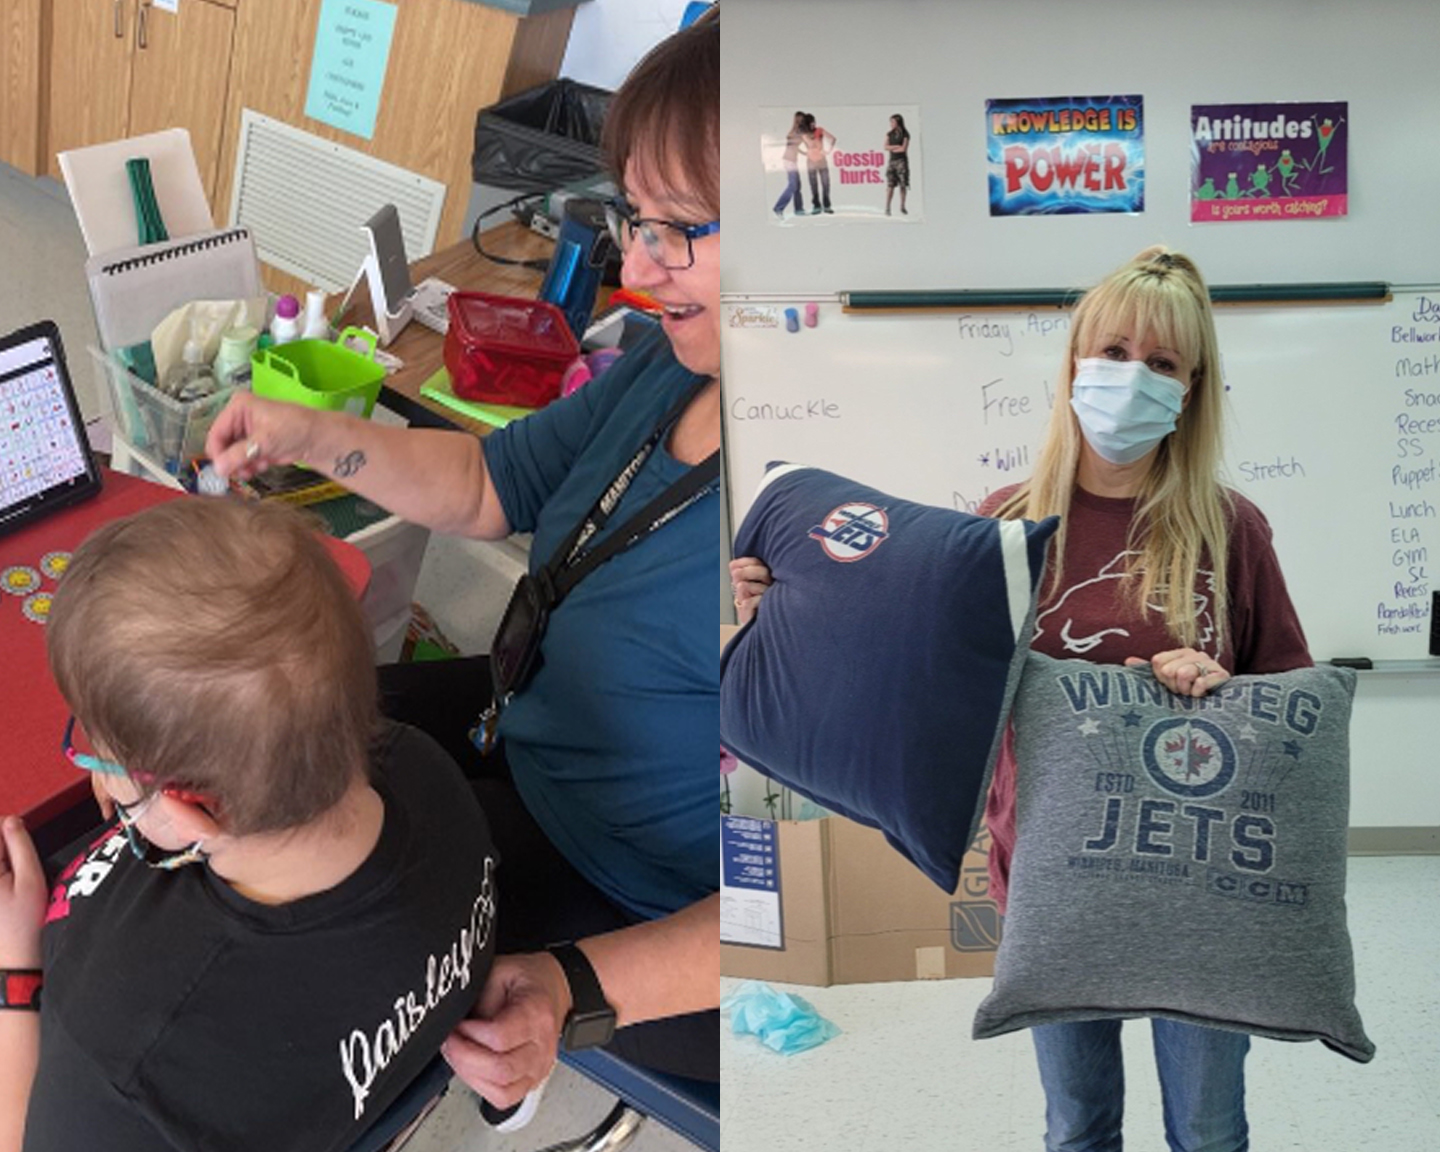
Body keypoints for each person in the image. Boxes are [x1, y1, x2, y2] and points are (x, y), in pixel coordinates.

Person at [204, 7, 721, 1110]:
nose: (637, 265)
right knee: (268, 732)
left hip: (630, 890)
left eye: (680, 229)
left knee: (304, 939)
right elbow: (492, 487)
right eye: (636, 218)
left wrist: (576, 985)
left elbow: (834, 897)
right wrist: (315, 436)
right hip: (523, 721)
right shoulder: (676, 367)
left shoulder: (863, 528)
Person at [729, 248, 1312, 1151]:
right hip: (1047, 880)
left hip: (1201, 892)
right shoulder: (999, 529)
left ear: (1192, 389)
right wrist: (790, 614)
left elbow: (1294, 710)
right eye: (1113, 351)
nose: (1132, 378)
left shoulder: (1230, 530)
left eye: (1162, 364)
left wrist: (1226, 692)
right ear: (1075, 363)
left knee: (1209, 1128)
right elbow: (913, 674)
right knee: (1077, 1126)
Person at [0, 498, 497, 1152]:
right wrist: (132, 770)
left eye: (94, 751)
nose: (97, 768)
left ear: (191, 808)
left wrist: (17, 972)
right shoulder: (420, 766)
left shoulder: (130, 1066)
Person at [773, 110, 809, 218]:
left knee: (797, 185)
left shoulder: (794, 131)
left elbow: (794, 147)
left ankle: (799, 209)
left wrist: (805, 153)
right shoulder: (798, 132)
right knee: (793, 185)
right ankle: (779, 207)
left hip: (791, 160)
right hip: (789, 160)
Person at [801, 113, 835, 214]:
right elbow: (809, 144)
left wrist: (828, 150)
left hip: (822, 160)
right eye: (811, 123)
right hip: (811, 161)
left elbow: (832, 138)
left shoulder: (819, 130)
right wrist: (804, 152)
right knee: (813, 184)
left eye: (813, 122)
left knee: (826, 184)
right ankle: (816, 206)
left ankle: (827, 205)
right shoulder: (804, 134)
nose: (813, 124)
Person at [884, 113, 911, 216]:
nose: (891, 124)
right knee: (890, 185)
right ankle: (887, 207)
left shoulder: (905, 134)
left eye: (893, 122)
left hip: (901, 162)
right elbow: (885, 146)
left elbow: (903, 148)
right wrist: (896, 146)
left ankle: (902, 206)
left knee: (903, 185)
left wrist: (893, 148)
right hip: (892, 161)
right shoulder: (889, 134)